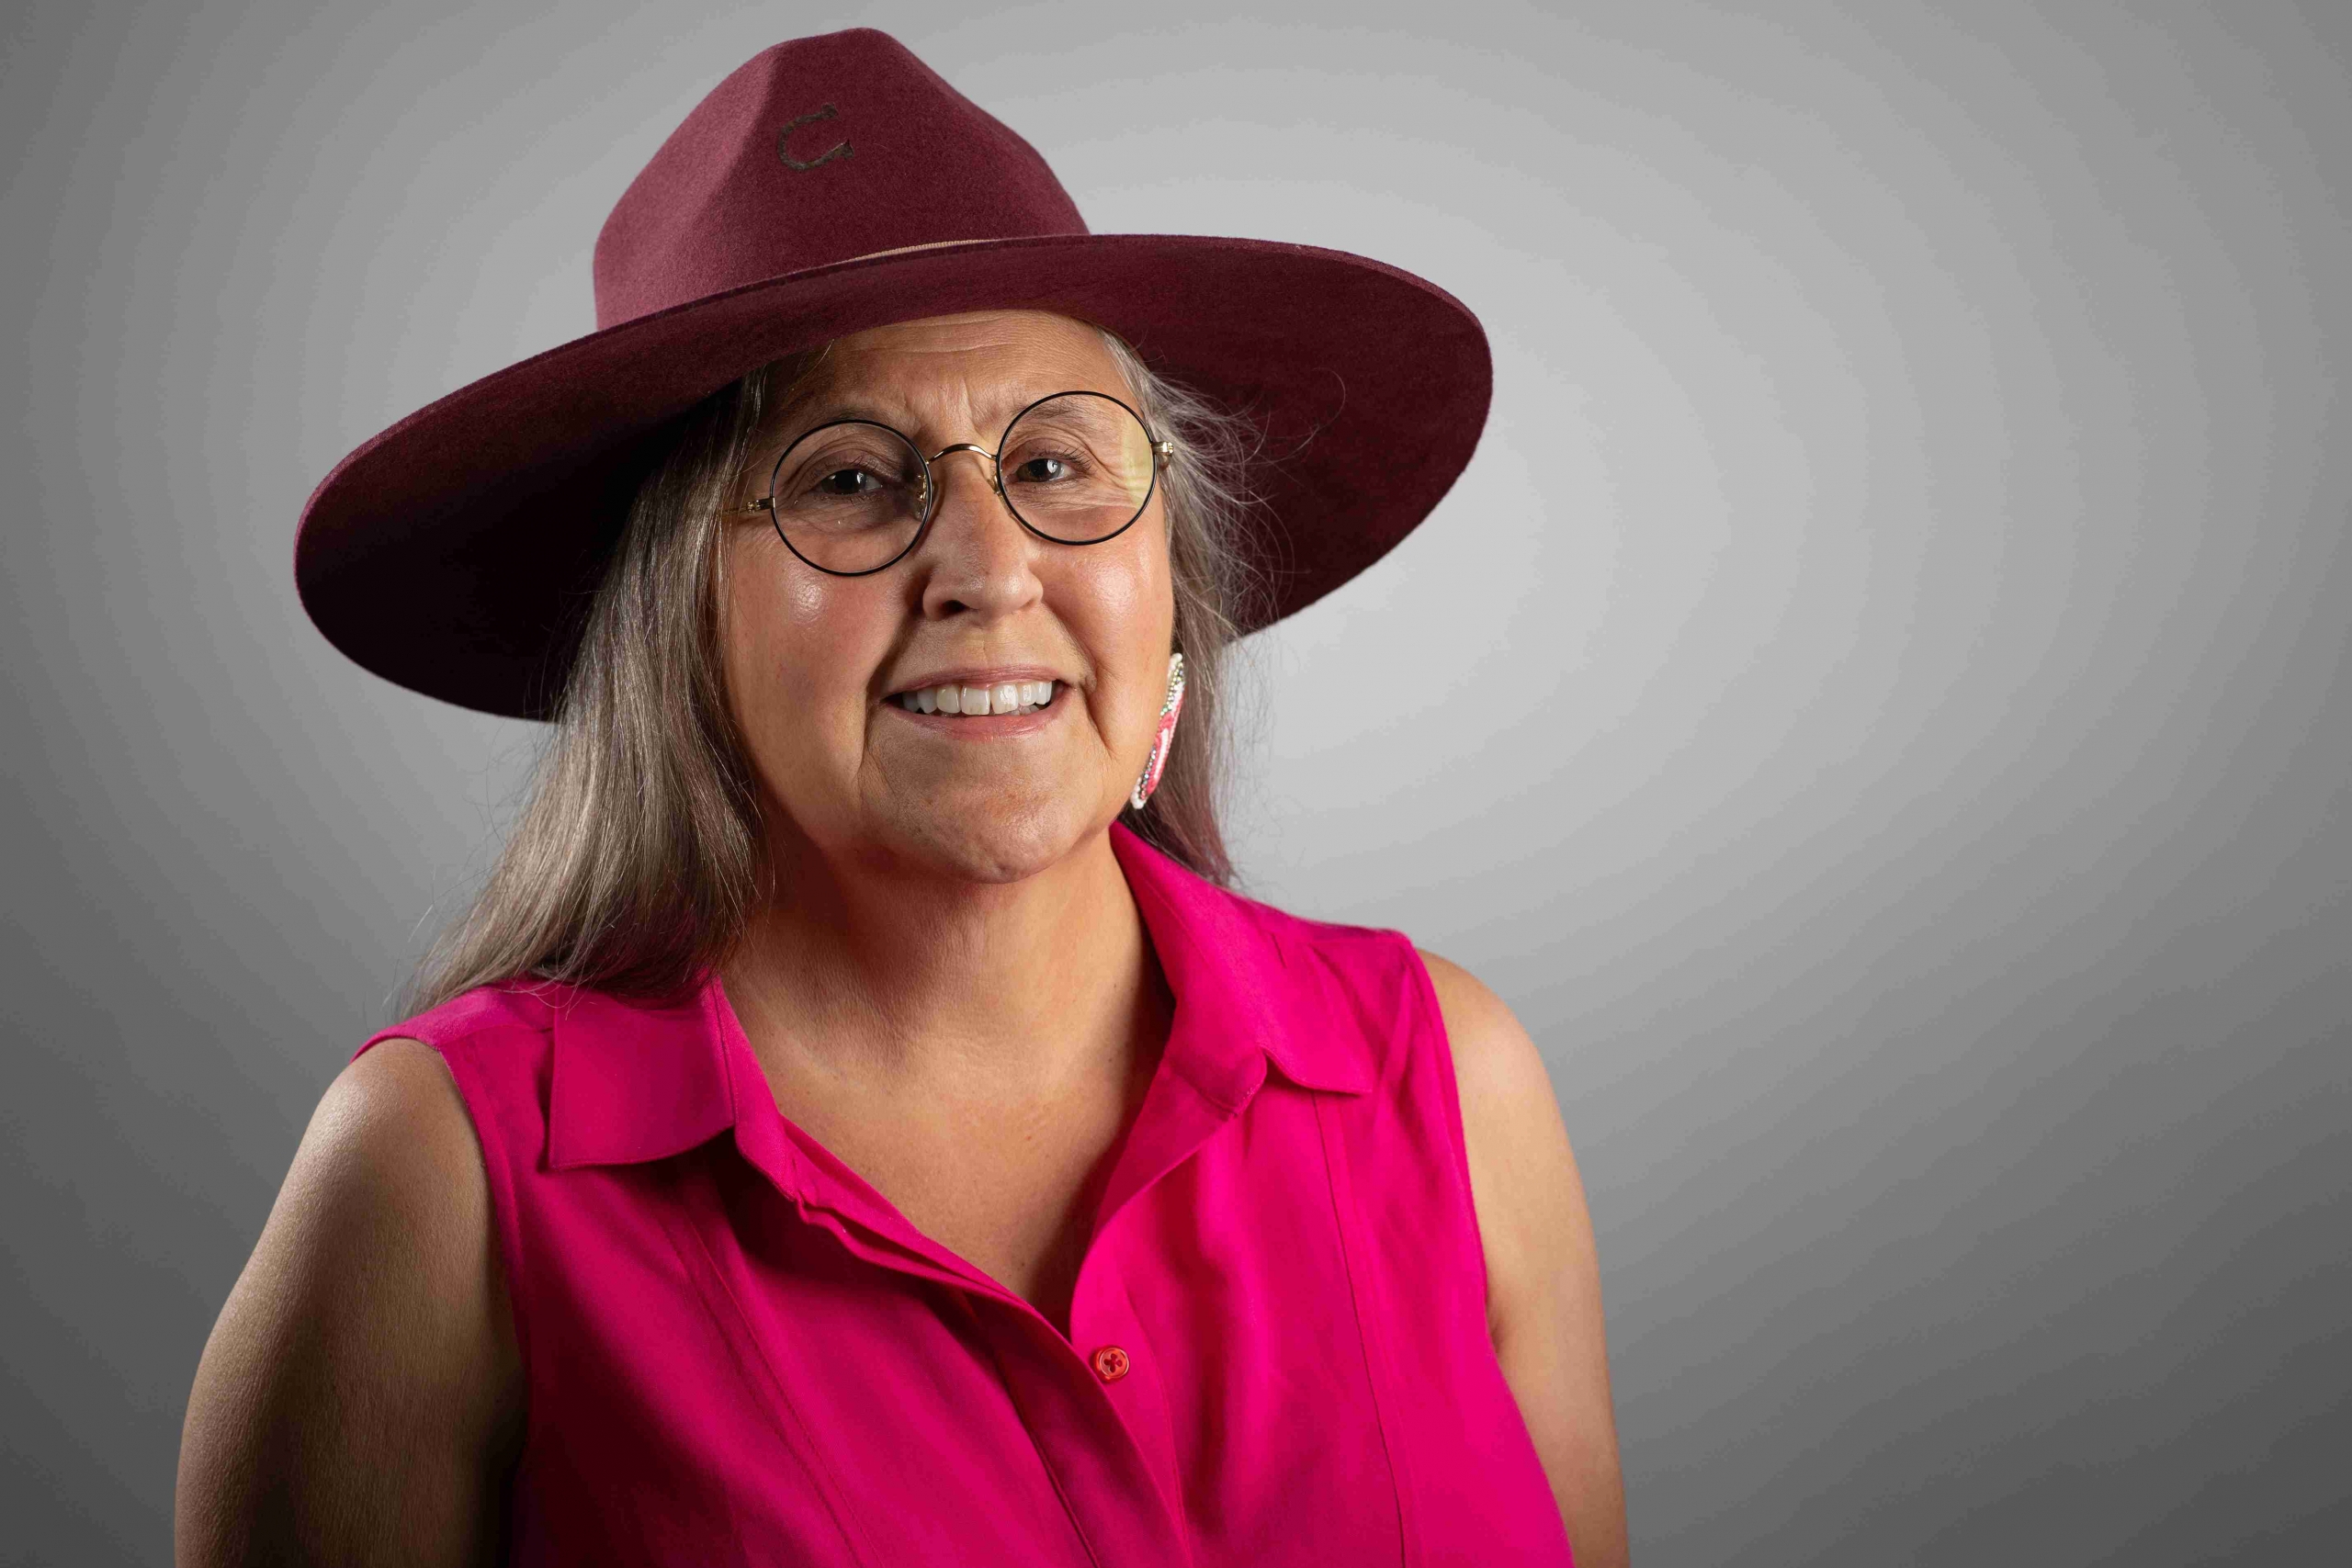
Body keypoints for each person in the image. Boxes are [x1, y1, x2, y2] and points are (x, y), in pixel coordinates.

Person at [177, 28, 1626, 1567]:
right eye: (852, 480)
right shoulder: (442, 1177)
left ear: (1170, 581)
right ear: (681, 617)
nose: (991, 572)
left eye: (1055, 464)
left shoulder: (1447, 1081)